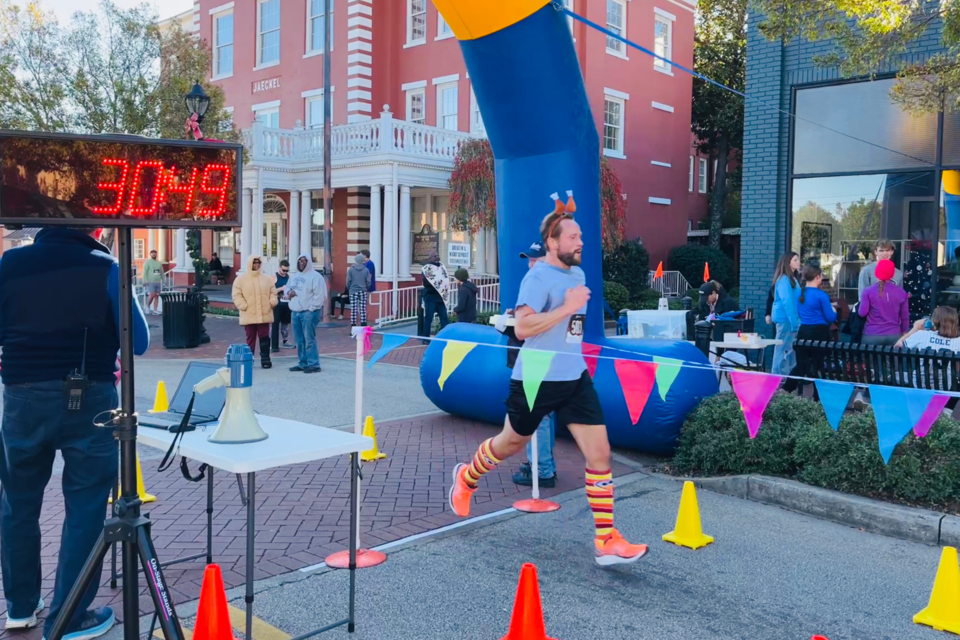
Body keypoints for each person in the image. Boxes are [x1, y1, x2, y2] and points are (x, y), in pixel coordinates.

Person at [448, 198, 648, 565]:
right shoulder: (537, 277)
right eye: (573, 236)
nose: (581, 241)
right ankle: (467, 476)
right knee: (510, 443)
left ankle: (605, 539)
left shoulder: (579, 275)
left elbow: (572, 332)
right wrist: (567, 308)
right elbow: (523, 328)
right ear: (553, 242)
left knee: (600, 453)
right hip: (535, 378)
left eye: (581, 235)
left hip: (573, 377)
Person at [0, 226, 150, 639]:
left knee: (17, 501)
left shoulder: (10, 263)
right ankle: (68, 617)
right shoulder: (106, 267)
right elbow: (138, 341)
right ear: (96, 229)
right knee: (84, 508)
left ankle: (20, 606)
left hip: (23, 398)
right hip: (92, 398)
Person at [510, 241, 557, 489]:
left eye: (534, 260)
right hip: (552, 356)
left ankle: (542, 469)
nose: (530, 264)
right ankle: (542, 464)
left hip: (541, 356)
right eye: (529, 259)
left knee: (537, 416)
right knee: (542, 415)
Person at [782, 264, 836, 396]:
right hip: (820, 332)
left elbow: (800, 313)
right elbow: (830, 317)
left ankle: (787, 388)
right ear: (818, 277)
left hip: (804, 331)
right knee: (819, 365)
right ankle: (818, 396)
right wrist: (834, 310)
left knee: (802, 363)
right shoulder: (822, 295)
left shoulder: (799, 294)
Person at [232, 256, 278, 369]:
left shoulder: (267, 279)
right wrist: (243, 306)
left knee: (264, 337)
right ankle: (249, 360)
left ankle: (265, 359)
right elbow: (236, 295)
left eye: (258, 263)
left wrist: (271, 302)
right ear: (250, 264)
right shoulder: (240, 279)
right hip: (249, 313)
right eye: (254, 263)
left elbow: (273, 292)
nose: (256, 265)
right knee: (250, 338)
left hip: (264, 313)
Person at [287, 253, 327, 373]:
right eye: (300, 261)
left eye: (304, 261)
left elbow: (320, 295)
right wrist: (289, 292)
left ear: (309, 262)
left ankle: (314, 364)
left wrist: (312, 308)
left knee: (309, 339)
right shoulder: (294, 276)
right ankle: (303, 363)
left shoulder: (316, 277)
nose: (302, 263)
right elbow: (287, 288)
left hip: (309, 312)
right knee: (299, 340)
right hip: (295, 311)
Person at [858, 259, 909, 346]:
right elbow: (905, 317)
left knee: (870, 359)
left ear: (876, 273)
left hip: (872, 334)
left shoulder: (868, 291)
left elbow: (862, 313)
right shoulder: (901, 292)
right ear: (892, 274)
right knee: (893, 360)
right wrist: (904, 332)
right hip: (894, 335)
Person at [771, 252, 801, 375]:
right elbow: (787, 302)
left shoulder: (792, 279)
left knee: (789, 349)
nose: (798, 262)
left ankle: (787, 376)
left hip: (790, 319)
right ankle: (778, 377)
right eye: (795, 260)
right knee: (782, 349)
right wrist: (795, 322)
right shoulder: (784, 280)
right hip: (785, 320)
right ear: (787, 263)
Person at [420, 251, 449, 338]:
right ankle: (425, 338)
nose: (437, 257)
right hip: (431, 297)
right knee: (428, 318)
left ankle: (446, 336)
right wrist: (438, 284)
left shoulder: (442, 267)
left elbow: (445, 279)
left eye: (437, 255)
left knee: (444, 318)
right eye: (434, 256)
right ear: (430, 258)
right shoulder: (426, 268)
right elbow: (426, 282)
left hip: (441, 297)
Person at [271, 260, 293, 352]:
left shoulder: (289, 277)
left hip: (286, 303)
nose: (285, 273)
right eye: (283, 270)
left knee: (286, 324)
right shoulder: (274, 277)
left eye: (287, 271)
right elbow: (270, 291)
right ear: (279, 267)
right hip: (277, 304)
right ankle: (273, 343)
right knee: (274, 324)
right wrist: (281, 288)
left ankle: (285, 340)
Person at [346, 253, 372, 327]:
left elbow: (348, 281)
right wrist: (366, 288)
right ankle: (363, 325)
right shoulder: (366, 270)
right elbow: (368, 281)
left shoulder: (351, 270)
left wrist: (350, 288)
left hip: (353, 290)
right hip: (363, 290)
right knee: (362, 308)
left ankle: (353, 326)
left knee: (353, 309)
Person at [141, 249, 166, 315]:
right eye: (152, 253)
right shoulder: (148, 262)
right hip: (150, 281)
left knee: (157, 296)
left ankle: (155, 310)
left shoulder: (159, 263)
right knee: (152, 295)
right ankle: (147, 306)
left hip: (158, 281)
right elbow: (145, 272)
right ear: (150, 254)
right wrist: (145, 280)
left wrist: (163, 281)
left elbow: (162, 272)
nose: (154, 254)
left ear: (156, 254)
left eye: (155, 253)